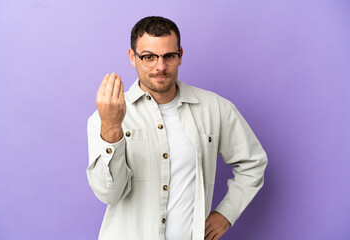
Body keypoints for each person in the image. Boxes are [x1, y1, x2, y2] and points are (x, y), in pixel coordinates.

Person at [86, 16, 268, 240]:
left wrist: (226, 213)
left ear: (180, 55)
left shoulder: (216, 109)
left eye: (169, 56)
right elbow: (109, 194)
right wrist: (112, 127)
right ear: (132, 57)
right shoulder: (103, 119)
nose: (160, 67)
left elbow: (253, 163)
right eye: (149, 57)